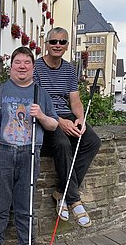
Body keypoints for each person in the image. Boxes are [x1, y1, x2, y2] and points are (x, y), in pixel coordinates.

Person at [0, 47, 58, 245]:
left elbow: (53, 124)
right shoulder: (0, 91)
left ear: (33, 67)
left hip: (29, 153)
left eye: (27, 62)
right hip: (2, 152)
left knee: (25, 203)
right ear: (11, 66)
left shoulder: (40, 93)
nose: (22, 66)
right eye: (18, 62)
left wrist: (41, 115)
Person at [33, 27, 102, 227]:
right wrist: (60, 122)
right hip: (45, 115)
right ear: (46, 44)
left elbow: (75, 100)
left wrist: (79, 118)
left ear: (66, 46)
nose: (57, 45)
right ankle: (73, 199)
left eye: (62, 42)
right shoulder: (36, 67)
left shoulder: (70, 69)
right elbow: (37, 102)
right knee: (63, 144)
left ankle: (61, 192)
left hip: (67, 114)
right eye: (53, 41)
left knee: (92, 141)